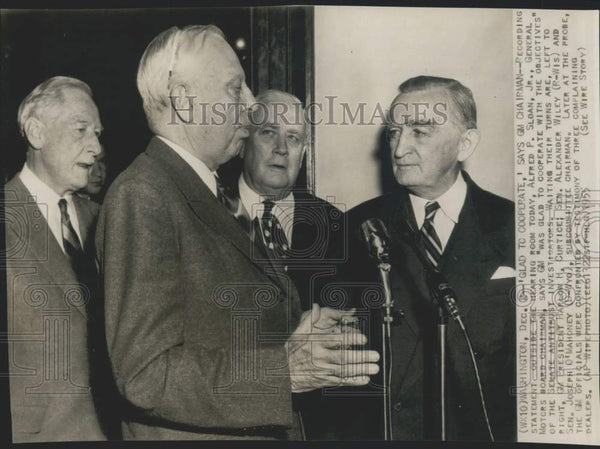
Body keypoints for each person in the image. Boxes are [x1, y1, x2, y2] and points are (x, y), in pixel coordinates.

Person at [95, 25, 379, 440]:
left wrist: (293, 333)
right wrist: (284, 372)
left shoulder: (203, 190)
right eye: (235, 89)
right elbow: (145, 375)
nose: (249, 105)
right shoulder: (143, 194)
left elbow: (212, 328)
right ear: (185, 101)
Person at [343, 76, 515, 441]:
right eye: (394, 132)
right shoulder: (356, 226)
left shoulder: (517, 227)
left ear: (465, 143)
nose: (400, 148)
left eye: (420, 131)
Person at [234, 89, 346, 439]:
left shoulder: (338, 226)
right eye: (268, 132)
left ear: (304, 153)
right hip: (234, 416)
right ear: (242, 142)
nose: (281, 148)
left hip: (316, 424)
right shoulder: (205, 213)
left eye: (293, 137)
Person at [4, 76, 106, 442]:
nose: (95, 147)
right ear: (36, 133)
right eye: (81, 130)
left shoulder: (103, 218)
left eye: (97, 133)